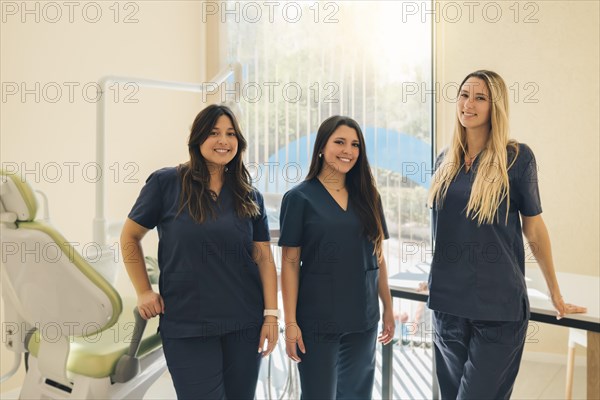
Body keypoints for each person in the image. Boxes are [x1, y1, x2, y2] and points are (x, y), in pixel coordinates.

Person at [427, 70, 587, 399]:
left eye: (480, 97)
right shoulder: (445, 161)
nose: (468, 104)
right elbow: (442, 230)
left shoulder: (516, 158)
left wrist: (555, 292)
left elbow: (535, 230)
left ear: (495, 107)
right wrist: (431, 277)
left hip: (498, 309)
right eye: (464, 95)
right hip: (447, 307)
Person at [120, 104, 279, 400]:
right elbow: (130, 236)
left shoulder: (249, 195)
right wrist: (143, 291)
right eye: (215, 133)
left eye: (231, 134)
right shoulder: (166, 183)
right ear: (198, 138)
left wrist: (271, 315)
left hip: (244, 323)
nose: (223, 141)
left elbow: (264, 259)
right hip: (188, 324)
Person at [278, 115, 395, 399]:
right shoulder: (299, 199)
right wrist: (290, 323)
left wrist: (388, 307)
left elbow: (377, 256)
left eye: (355, 144)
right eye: (339, 142)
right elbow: (290, 264)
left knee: (358, 394)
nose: (348, 150)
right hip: (318, 321)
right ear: (321, 147)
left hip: (363, 319)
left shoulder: (369, 197)